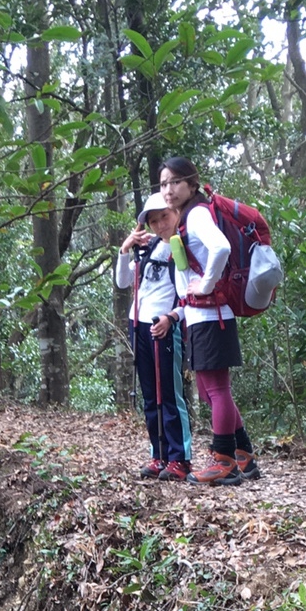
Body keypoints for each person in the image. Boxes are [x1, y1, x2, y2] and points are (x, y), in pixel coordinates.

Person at [158, 155, 260, 486]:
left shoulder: (199, 214)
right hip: (203, 317)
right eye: (163, 184)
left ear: (191, 183)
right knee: (209, 390)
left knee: (217, 390)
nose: (168, 189)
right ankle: (242, 455)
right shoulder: (189, 218)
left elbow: (221, 248)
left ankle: (224, 461)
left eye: (174, 182)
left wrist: (205, 284)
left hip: (213, 316)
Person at [118, 195, 192, 481]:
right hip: (138, 324)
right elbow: (123, 282)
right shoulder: (148, 249)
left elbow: (192, 295)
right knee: (150, 395)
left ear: (176, 213)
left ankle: (180, 458)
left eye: (164, 217)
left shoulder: (184, 247)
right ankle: (158, 454)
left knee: (170, 395)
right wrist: (126, 249)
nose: (160, 224)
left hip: (165, 325)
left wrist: (172, 318)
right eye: (153, 220)